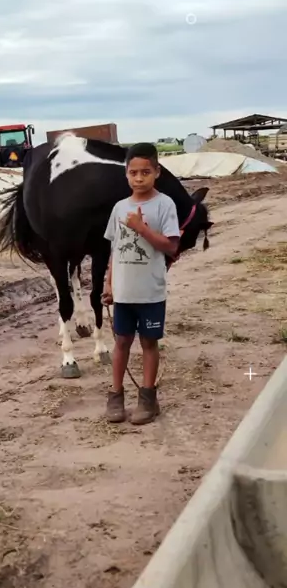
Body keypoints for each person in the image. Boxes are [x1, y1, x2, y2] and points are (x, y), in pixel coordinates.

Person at [102, 142, 180, 425]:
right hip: (124, 293)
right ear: (126, 174)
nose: (139, 178)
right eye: (133, 173)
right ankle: (115, 396)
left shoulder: (165, 204)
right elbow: (115, 250)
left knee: (149, 343)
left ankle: (148, 399)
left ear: (157, 172)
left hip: (150, 292)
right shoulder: (119, 208)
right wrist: (109, 284)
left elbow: (171, 247)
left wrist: (141, 228)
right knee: (121, 342)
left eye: (145, 172)